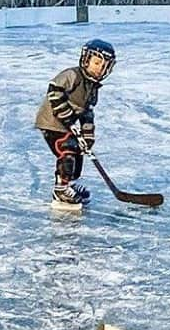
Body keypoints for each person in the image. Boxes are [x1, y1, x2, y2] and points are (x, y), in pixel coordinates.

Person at [35, 39, 116, 211]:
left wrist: (88, 135)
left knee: (79, 150)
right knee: (67, 149)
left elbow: (87, 113)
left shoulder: (93, 87)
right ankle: (61, 189)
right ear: (85, 60)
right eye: (96, 63)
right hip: (52, 122)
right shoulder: (72, 75)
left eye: (104, 65)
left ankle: (70, 183)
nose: (99, 68)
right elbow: (54, 93)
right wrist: (68, 117)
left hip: (67, 125)